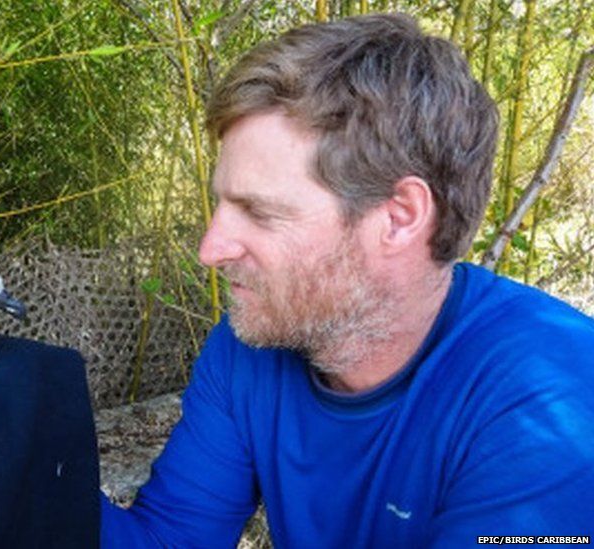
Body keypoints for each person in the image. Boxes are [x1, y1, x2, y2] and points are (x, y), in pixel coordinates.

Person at [101, 13, 594, 548]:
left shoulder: (550, 404)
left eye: (260, 213)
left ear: (399, 217)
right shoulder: (252, 345)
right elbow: (169, 541)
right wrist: (17, 463)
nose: (210, 250)